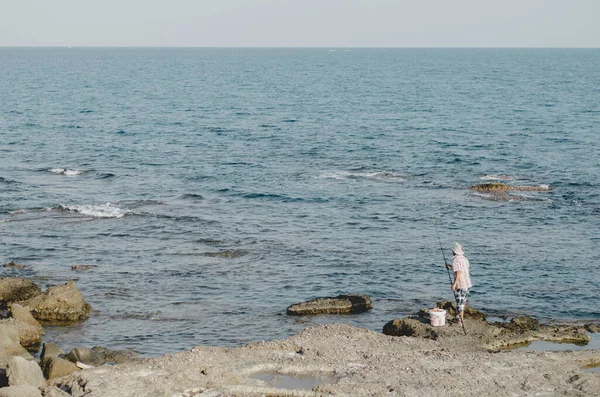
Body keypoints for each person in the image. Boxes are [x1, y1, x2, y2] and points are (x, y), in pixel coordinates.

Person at [445, 242, 472, 325]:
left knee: (459, 303)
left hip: (461, 284)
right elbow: (464, 268)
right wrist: (451, 267)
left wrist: (454, 284)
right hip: (467, 283)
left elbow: (459, 272)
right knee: (463, 302)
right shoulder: (464, 258)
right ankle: (461, 318)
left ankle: (460, 321)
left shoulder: (455, 260)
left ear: (454, 252)